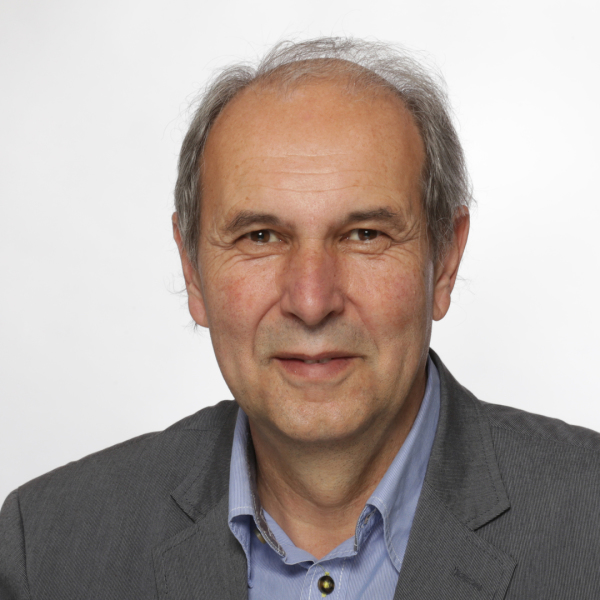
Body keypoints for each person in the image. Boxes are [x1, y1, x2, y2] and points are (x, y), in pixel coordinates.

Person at [1, 37, 599, 600]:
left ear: (445, 261)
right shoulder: (48, 548)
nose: (312, 301)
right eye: (260, 236)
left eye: (365, 234)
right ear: (192, 270)